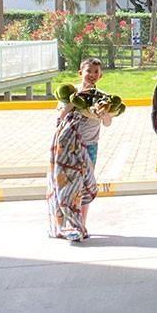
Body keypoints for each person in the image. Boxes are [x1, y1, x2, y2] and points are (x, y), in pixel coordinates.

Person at [47, 57, 112, 243]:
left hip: (89, 146)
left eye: (96, 72)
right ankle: (66, 225)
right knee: (66, 186)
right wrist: (74, 102)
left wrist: (104, 112)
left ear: (101, 75)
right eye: (88, 71)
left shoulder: (102, 97)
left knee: (84, 186)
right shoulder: (68, 93)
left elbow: (107, 123)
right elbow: (59, 118)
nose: (92, 75)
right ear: (80, 73)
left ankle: (80, 224)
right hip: (67, 148)